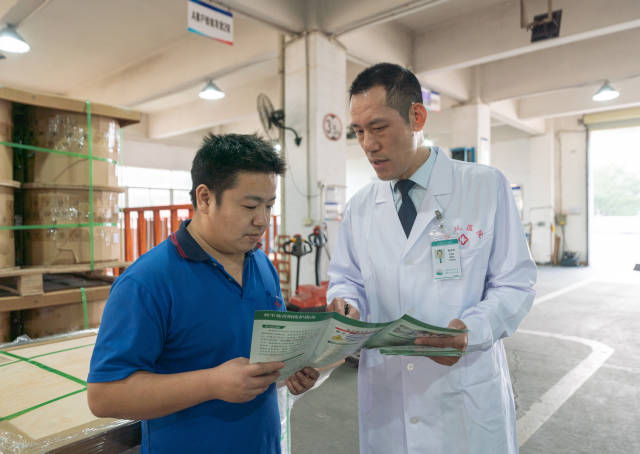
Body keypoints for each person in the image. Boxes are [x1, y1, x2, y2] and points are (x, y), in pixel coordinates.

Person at [327, 63, 536, 454]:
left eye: (378, 127)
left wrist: (472, 329)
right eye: (358, 132)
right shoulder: (360, 207)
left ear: (416, 117)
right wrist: (347, 304)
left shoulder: (484, 187)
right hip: (388, 398)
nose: (368, 144)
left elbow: (515, 283)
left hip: (464, 395)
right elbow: (346, 279)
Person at [88, 133, 319, 454]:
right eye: (250, 205)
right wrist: (212, 384)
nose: (263, 220)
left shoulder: (261, 265)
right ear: (206, 198)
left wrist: (290, 372)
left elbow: (261, 358)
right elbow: (104, 396)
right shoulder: (148, 281)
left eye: (269, 205)